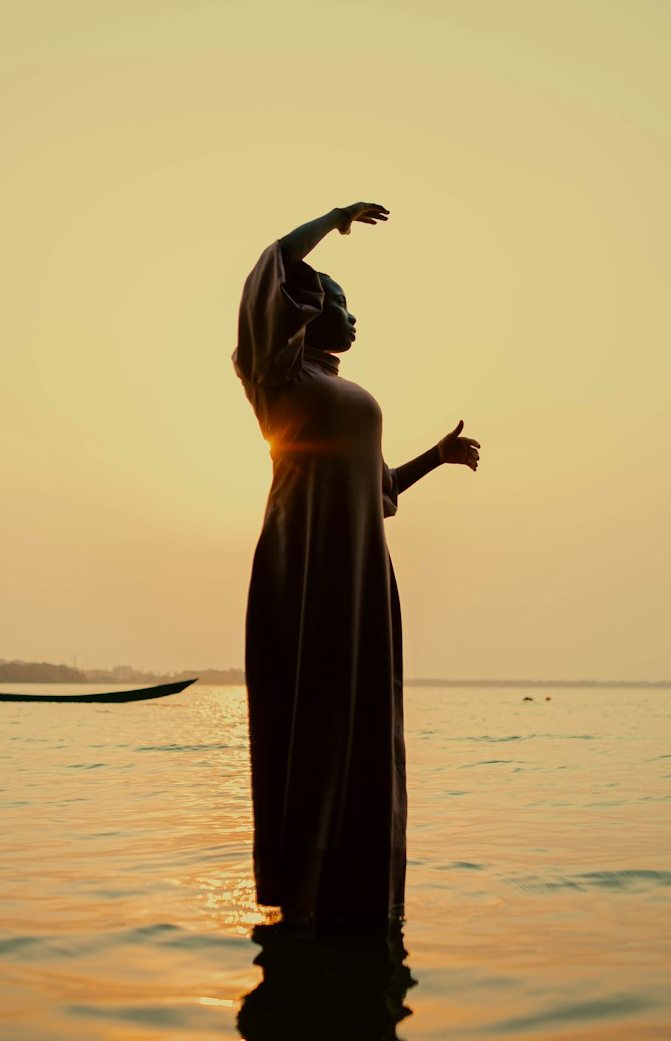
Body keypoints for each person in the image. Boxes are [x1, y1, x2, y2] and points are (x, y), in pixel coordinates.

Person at [233, 202, 480, 926]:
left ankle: (352, 895)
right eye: (339, 298)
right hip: (305, 568)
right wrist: (333, 218)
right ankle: (301, 904)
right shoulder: (279, 380)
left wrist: (434, 457)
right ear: (304, 310)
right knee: (310, 721)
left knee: (359, 728)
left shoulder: (347, 394)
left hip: (361, 576)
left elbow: (378, 494)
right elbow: (271, 264)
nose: (353, 313)